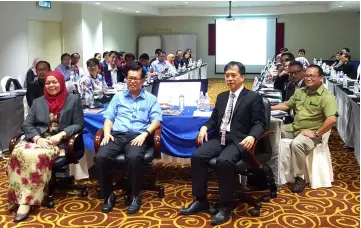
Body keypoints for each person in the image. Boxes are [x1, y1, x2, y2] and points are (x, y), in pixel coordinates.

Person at [179, 61, 266, 225]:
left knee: (224, 161)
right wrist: (204, 127)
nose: (230, 79)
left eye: (234, 75)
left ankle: (225, 206)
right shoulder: (222, 96)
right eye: (227, 75)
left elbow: (259, 123)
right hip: (220, 138)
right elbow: (213, 120)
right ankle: (200, 200)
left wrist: (252, 136)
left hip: (238, 140)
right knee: (197, 156)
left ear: (242, 77)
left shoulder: (253, 97)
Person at [7, 71, 84, 223]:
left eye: (54, 82)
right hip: (39, 140)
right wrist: (36, 138)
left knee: (34, 157)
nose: (51, 85)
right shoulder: (38, 102)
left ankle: (26, 201)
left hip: (60, 142)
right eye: (48, 83)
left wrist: (60, 135)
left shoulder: (73, 100)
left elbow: (78, 124)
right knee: (17, 153)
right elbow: (27, 124)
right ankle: (19, 195)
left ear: (61, 82)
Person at [95, 64, 162, 214]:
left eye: (136, 79)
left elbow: (156, 120)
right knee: (100, 157)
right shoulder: (118, 97)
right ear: (126, 79)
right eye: (129, 78)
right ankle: (108, 195)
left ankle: (135, 196)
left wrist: (145, 134)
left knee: (133, 157)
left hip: (137, 136)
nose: (132, 82)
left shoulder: (151, 99)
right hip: (117, 135)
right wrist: (106, 133)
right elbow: (108, 118)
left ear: (143, 80)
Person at [271, 65, 337, 193]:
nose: (308, 78)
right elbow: (287, 105)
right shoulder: (301, 91)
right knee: (270, 132)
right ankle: (269, 171)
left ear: (321, 78)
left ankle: (299, 177)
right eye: (307, 75)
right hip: (295, 127)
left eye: (312, 76)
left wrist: (316, 133)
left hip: (312, 132)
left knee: (297, 144)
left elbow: (331, 119)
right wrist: (269, 107)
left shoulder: (327, 97)